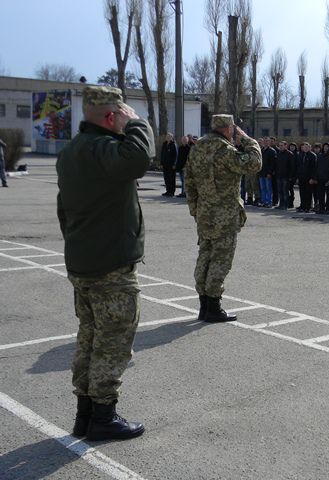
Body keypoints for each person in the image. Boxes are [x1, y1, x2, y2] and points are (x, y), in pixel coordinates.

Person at [56, 86, 154, 441]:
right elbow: (140, 159)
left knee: (89, 336)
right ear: (112, 116)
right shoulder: (105, 149)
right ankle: (103, 416)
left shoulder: (71, 152)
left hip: (82, 262)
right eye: (122, 113)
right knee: (113, 339)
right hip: (109, 266)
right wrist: (137, 124)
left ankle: (84, 414)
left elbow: (62, 208)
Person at [185, 114, 261, 323]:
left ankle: (203, 305)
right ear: (229, 128)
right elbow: (254, 163)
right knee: (221, 259)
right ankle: (213, 307)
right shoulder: (225, 151)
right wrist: (247, 139)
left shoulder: (197, 149)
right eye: (234, 128)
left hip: (204, 214)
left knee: (205, 255)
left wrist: (195, 209)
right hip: (224, 215)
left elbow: (189, 182)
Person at [315, 142, 329, 214]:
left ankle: (328, 209)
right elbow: (317, 167)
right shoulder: (319, 156)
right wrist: (316, 177)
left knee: (328, 195)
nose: (325, 148)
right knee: (320, 194)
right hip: (320, 178)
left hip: (328, 179)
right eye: (324, 146)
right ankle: (321, 208)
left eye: (327, 146)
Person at [275, 140, 295, 209]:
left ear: (286, 146)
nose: (280, 147)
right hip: (279, 176)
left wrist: (290, 176)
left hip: (286, 176)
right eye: (280, 145)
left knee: (285, 191)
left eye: (282, 145)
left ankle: (286, 205)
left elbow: (292, 167)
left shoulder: (290, 154)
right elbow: (276, 165)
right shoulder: (279, 154)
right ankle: (281, 204)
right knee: (280, 191)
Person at [297, 142, 316, 213]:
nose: (305, 148)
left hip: (309, 178)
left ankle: (308, 207)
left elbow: (314, 168)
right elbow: (298, 166)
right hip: (301, 177)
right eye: (304, 147)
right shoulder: (300, 155)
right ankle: (302, 206)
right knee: (302, 193)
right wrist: (298, 176)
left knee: (308, 193)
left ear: (310, 148)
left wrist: (312, 178)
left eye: (307, 147)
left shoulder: (313, 156)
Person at [258, 137, 275, 207]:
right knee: (262, 188)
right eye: (264, 142)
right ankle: (264, 201)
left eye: (267, 141)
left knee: (269, 189)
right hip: (261, 172)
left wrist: (269, 173)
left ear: (269, 142)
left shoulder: (272, 151)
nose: (265, 143)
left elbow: (273, 164)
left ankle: (269, 202)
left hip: (267, 173)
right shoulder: (261, 150)